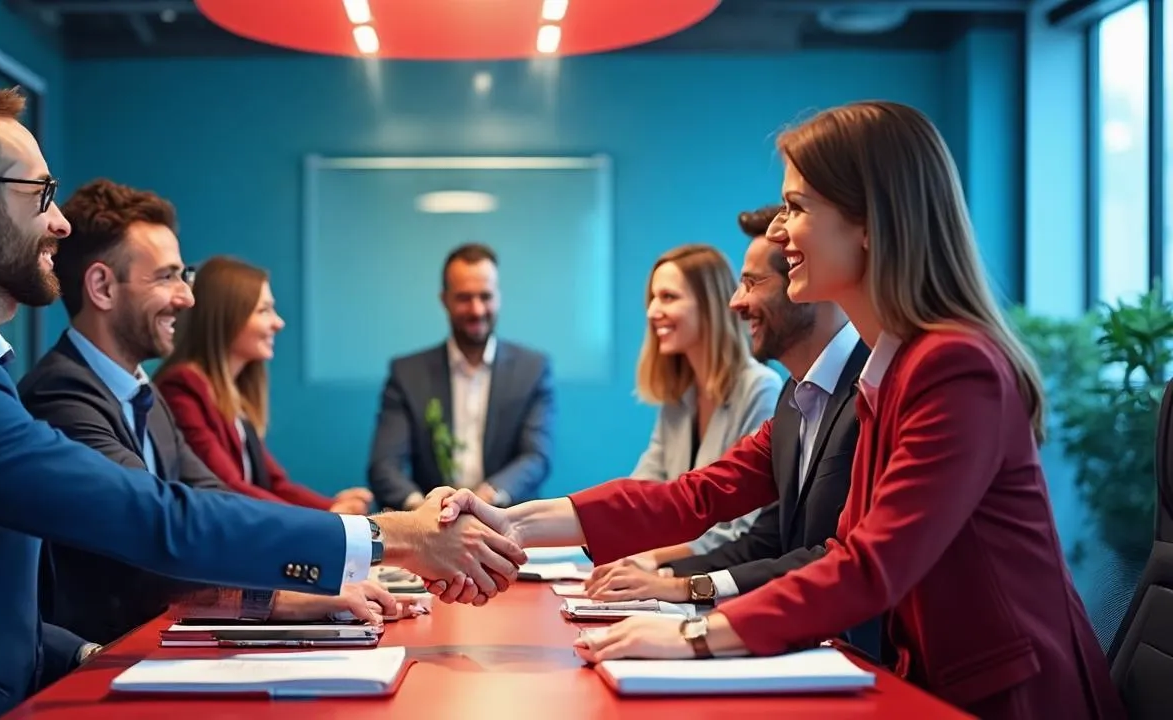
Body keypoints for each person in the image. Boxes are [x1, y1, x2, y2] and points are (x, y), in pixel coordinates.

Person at [0, 80, 522, 720]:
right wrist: (385, 537)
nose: (58, 220)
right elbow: (146, 515)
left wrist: (92, 657)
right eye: (40, 193)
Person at [434, 101, 1124, 719]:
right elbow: (693, 496)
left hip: (1006, 699)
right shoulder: (884, 371)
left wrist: (693, 633)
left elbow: (869, 566)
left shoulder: (953, 367)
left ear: (868, 223)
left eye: (797, 207)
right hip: (925, 685)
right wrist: (510, 522)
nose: (782, 231)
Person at [21, 179, 398, 645]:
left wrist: (321, 568)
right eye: (166, 277)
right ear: (101, 287)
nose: (187, 298)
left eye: (184, 276)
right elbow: (156, 540)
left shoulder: (145, 395)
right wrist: (285, 592)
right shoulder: (61, 396)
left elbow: (218, 505)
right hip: (107, 659)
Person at [581, 206, 878, 657]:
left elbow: (842, 560)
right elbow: (693, 501)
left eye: (752, 283)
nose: (737, 303)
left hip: (866, 653)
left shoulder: (863, 384)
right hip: (817, 640)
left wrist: (684, 610)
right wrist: (525, 523)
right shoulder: (793, 396)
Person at [155, 256, 372, 514]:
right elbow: (227, 487)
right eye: (264, 310)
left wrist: (332, 508)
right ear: (227, 317)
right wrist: (327, 518)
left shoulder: (232, 394)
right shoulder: (182, 388)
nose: (278, 323)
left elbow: (275, 483)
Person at [367, 243, 554, 510]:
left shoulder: (532, 369)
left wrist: (481, 502)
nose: (477, 310)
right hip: (430, 523)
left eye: (485, 296)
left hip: (507, 520)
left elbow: (536, 457)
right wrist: (424, 511)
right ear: (444, 300)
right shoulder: (407, 375)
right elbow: (385, 465)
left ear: (498, 297)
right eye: (464, 298)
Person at [624, 244, 780, 560]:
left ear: (710, 306)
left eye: (668, 297)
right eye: (653, 298)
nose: (652, 311)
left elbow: (743, 529)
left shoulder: (760, 389)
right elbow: (643, 493)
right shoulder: (680, 395)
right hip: (671, 573)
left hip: (720, 576)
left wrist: (650, 560)